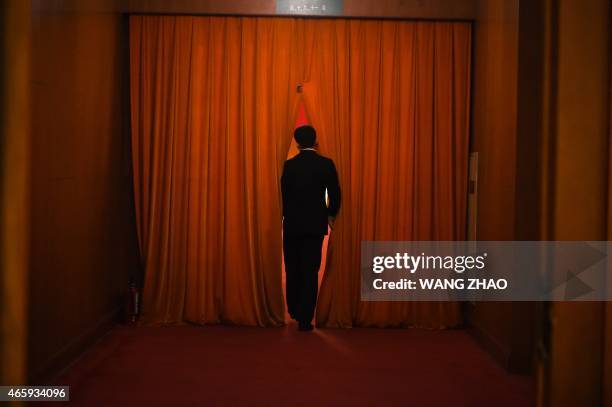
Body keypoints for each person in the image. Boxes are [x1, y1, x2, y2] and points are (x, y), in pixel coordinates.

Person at [281, 125, 341, 331]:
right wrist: (330, 214)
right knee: (310, 270)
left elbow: (283, 196)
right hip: (315, 225)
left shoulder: (289, 166)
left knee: (293, 268)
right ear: (315, 140)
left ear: (297, 143)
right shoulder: (326, 164)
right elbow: (335, 193)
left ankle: (295, 310)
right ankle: (306, 318)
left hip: (292, 225)